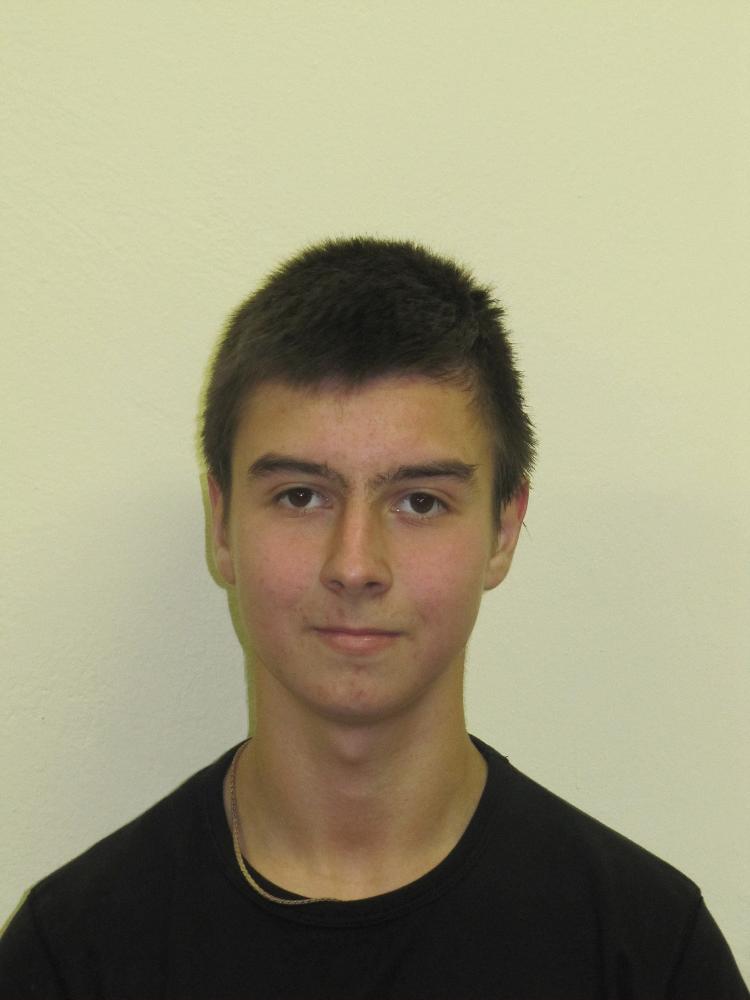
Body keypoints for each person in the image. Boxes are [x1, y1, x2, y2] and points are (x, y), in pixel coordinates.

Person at [0, 237, 746, 999]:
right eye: (301, 496)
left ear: (503, 530)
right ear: (221, 525)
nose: (355, 564)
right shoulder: (73, 956)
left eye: (420, 501)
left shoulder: (648, 953)